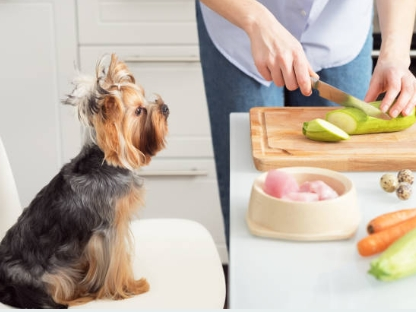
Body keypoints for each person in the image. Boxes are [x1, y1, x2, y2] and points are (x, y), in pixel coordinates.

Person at [195, 0, 416, 246]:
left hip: (339, 24)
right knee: (250, 208)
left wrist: (395, 53)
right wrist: (256, 21)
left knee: (342, 208)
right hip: (239, 25)